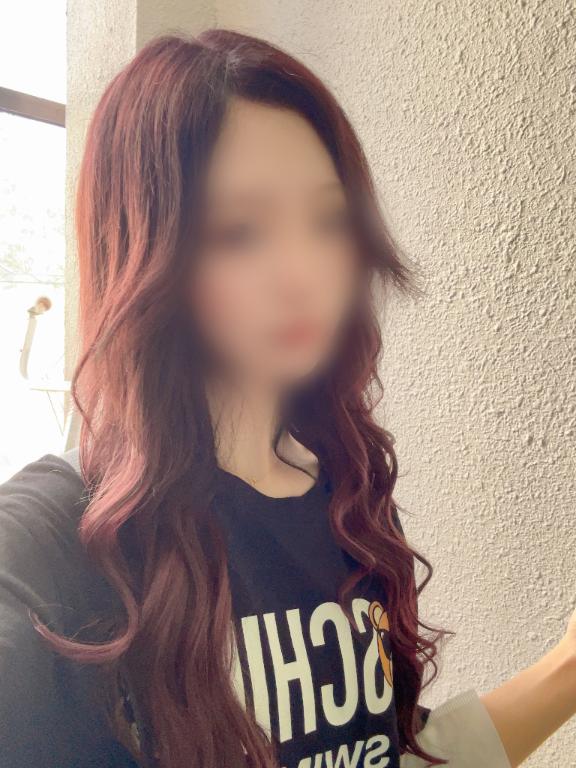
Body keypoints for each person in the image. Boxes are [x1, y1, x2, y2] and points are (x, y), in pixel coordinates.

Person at [0, 29, 574, 768]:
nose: (304, 272)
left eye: (328, 221)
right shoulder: (53, 542)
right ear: (145, 249)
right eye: (241, 231)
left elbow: (380, 753)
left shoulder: (348, 500)